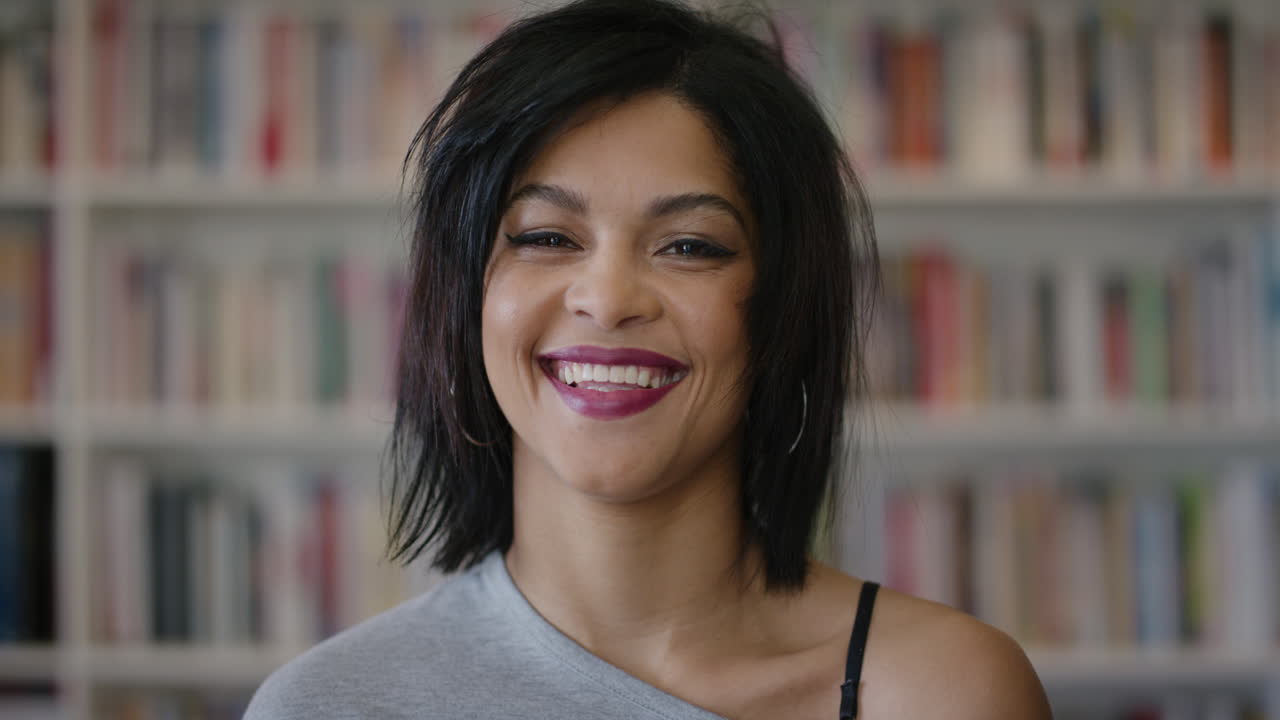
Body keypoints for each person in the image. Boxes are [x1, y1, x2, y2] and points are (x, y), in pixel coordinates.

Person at [244, 1, 1052, 717]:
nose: (608, 296)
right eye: (546, 238)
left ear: (781, 309)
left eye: (691, 246)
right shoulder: (323, 705)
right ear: (465, 301)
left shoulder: (943, 693)